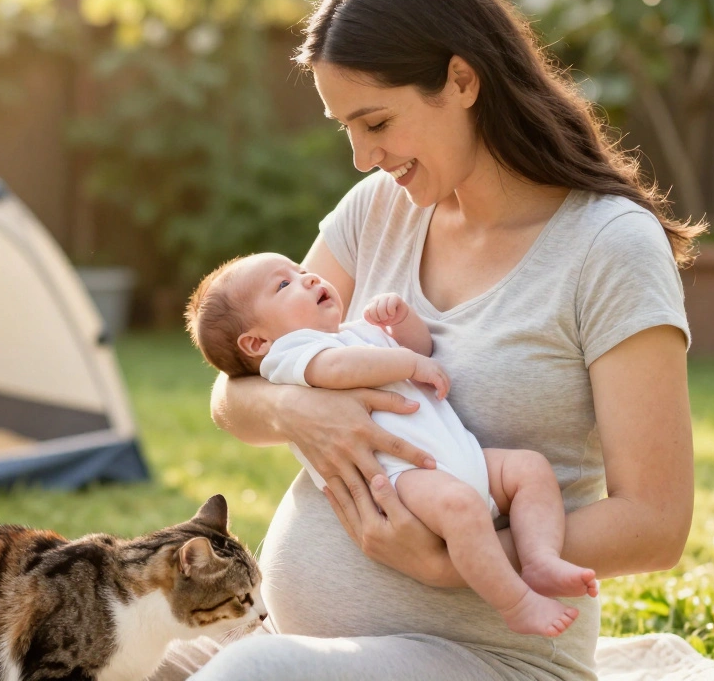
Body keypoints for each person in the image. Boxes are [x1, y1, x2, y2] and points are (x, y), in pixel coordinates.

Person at [155, 0, 700, 678]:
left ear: (463, 81)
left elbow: (656, 526)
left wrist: (455, 563)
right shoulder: (379, 211)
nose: (361, 157)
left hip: (496, 654)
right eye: (346, 127)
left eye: (375, 121)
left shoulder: (607, 247)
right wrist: (300, 411)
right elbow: (234, 395)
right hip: (316, 642)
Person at [184, 251, 597, 637]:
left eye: (298, 268)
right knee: (460, 507)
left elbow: (419, 349)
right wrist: (410, 363)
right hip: (402, 478)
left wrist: (402, 324)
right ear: (257, 343)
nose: (307, 276)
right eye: (283, 285)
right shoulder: (289, 357)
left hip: (458, 457)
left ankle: (541, 559)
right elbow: (337, 370)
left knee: (530, 470)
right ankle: (516, 601)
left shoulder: (355, 333)